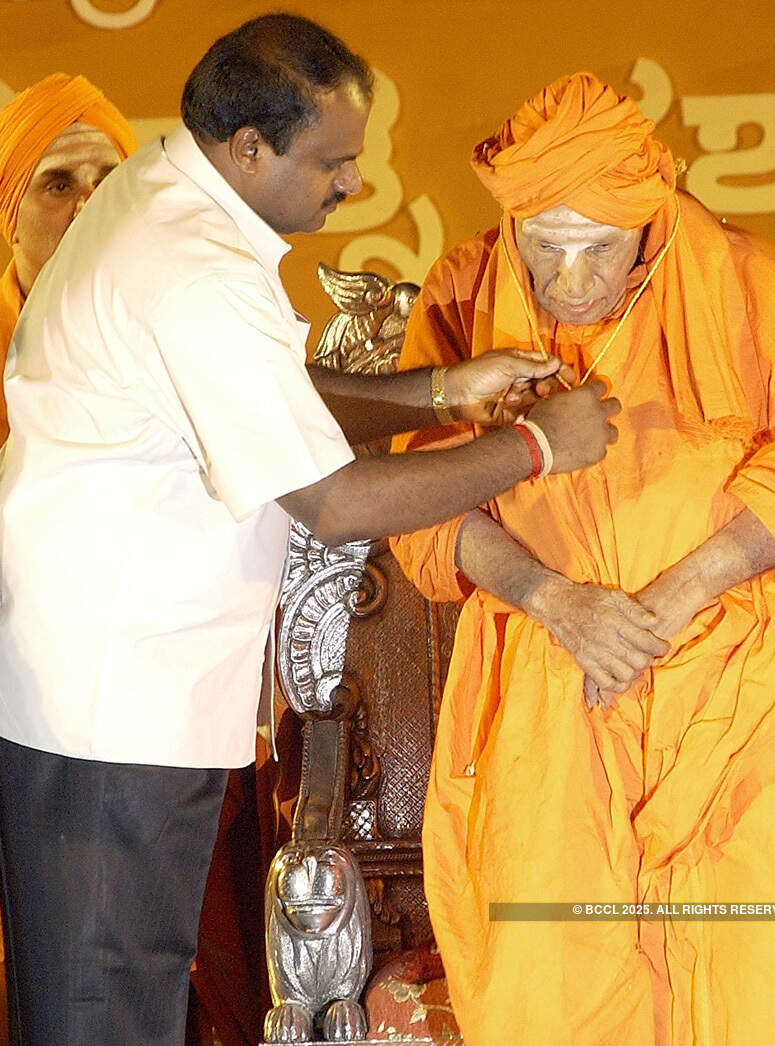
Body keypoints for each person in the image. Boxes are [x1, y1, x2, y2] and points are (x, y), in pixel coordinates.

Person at [0, 20, 620, 1046]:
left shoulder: (164, 201)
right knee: (99, 1009)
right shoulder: (187, 263)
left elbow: (261, 394)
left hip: (122, 693)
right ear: (250, 146)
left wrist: (437, 392)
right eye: (333, 162)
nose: (353, 186)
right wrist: (539, 447)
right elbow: (330, 499)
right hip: (108, 709)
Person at [390, 73, 775, 1045]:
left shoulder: (741, 281)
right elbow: (419, 502)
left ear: (650, 221)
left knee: (774, 986)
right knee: (556, 976)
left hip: (744, 694)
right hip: (553, 687)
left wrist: (681, 591)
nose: (573, 280)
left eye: (600, 248)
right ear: (510, 227)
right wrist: (550, 596)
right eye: (546, 247)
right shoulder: (463, 299)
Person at [0, 73, 136, 443]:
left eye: (108, 183)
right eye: (59, 186)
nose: (88, 209)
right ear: (10, 217)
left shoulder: (183, 326)